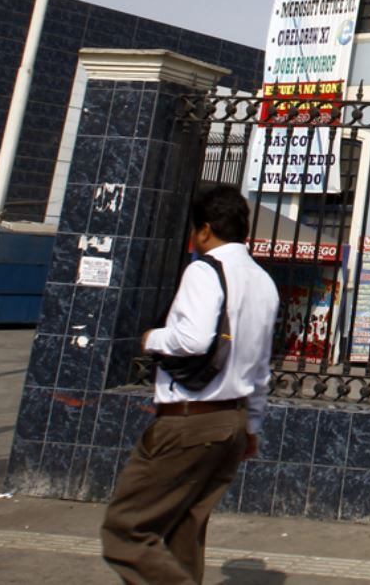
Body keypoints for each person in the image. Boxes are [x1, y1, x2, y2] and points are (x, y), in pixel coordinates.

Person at [101, 185, 280, 584]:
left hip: (188, 421)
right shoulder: (263, 281)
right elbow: (261, 368)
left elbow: (195, 340)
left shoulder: (204, 270)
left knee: (125, 532)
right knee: (185, 530)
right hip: (230, 422)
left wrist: (152, 339)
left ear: (203, 230)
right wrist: (252, 428)